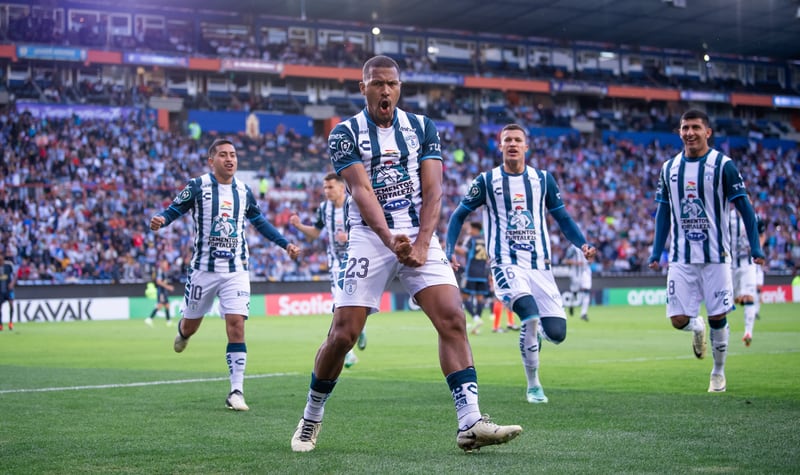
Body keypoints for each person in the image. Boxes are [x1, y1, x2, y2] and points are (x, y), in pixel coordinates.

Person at [290, 55, 522, 453]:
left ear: (400, 88)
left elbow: (434, 191)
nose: (385, 90)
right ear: (362, 88)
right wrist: (388, 238)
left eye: (392, 84)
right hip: (368, 234)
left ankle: (470, 421)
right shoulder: (345, 133)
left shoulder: (421, 127)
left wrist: (421, 242)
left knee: (452, 316)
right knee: (345, 333)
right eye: (377, 83)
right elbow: (362, 192)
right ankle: (311, 417)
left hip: (418, 232)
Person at [446, 123, 597, 405]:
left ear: (526, 146)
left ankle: (538, 334)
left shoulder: (543, 180)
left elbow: (563, 218)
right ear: (500, 146)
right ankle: (534, 385)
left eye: (518, 140)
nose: (513, 144)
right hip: (506, 264)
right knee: (528, 313)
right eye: (507, 140)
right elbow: (458, 216)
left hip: (540, 267)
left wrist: (582, 244)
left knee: (557, 334)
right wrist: (450, 250)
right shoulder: (487, 181)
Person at [150, 138, 301, 411]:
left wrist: (285, 244)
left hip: (236, 271)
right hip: (203, 271)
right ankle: (183, 333)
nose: (230, 159)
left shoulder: (244, 190)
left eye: (233, 154)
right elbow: (175, 208)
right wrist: (162, 219)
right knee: (191, 325)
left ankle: (236, 391)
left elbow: (260, 222)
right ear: (212, 161)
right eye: (223, 155)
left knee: (236, 325)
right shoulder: (198, 186)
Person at [648, 109, 765, 393]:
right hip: (681, 257)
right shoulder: (669, 168)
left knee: (718, 317)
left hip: (716, 257)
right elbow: (663, 213)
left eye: (695, 127)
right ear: (679, 132)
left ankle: (718, 373)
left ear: (707, 132)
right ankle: (695, 326)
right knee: (678, 320)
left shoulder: (723, 165)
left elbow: (746, 209)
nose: (689, 132)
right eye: (685, 127)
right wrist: (655, 251)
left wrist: (756, 246)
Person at [289, 172, 365, 368]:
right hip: (336, 263)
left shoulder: (353, 204)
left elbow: (369, 226)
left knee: (356, 301)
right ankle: (349, 353)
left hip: (357, 258)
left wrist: (349, 238)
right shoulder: (324, 209)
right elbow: (314, 233)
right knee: (338, 302)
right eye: (324, 188)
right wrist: (299, 226)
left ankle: (360, 328)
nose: (326, 191)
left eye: (330, 187)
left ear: (341, 187)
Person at [729, 210, 766, 346]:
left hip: (748, 264)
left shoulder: (755, 217)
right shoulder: (728, 216)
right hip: (730, 265)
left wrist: (758, 248)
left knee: (750, 296)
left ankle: (748, 332)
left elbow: (762, 235)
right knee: (733, 299)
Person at [452, 221, 491, 335]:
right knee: (480, 298)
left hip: (471, 272)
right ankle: (477, 323)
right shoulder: (485, 240)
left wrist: (451, 246)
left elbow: (463, 252)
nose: (469, 230)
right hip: (483, 273)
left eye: (470, 228)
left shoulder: (471, 239)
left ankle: (475, 318)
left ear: (475, 229)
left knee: (463, 298)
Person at [564, 244, 592, 321]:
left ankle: (583, 313)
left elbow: (591, 258)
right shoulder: (572, 249)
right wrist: (576, 263)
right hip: (576, 273)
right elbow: (566, 260)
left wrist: (590, 259)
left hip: (585, 272)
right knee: (575, 292)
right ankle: (571, 304)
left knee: (587, 291)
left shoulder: (588, 246)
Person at [145, 258, 175, 327]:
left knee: (167, 305)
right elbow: (158, 282)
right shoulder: (160, 271)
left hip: (163, 291)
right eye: (165, 264)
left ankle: (168, 321)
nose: (166, 265)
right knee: (160, 305)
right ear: (162, 264)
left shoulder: (163, 271)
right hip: (161, 291)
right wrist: (168, 287)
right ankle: (149, 319)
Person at [0, 250, 15, 331]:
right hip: (0, 291)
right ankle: (0, 324)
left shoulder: (9, 265)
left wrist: (12, 283)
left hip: (9, 290)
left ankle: (10, 322)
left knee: (11, 305)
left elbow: (15, 274)